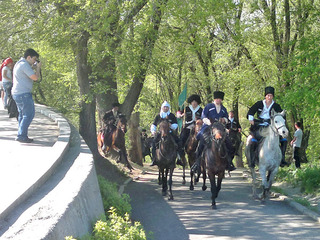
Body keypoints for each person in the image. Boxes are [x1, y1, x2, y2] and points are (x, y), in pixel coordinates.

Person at [193, 91, 236, 172]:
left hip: (219, 128)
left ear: (221, 100)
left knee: (229, 143)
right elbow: (204, 116)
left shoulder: (223, 109)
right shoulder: (209, 106)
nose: (218, 100)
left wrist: (224, 119)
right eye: (216, 99)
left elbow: (226, 118)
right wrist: (209, 122)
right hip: (208, 127)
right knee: (201, 141)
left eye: (219, 99)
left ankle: (229, 162)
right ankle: (197, 163)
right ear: (214, 99)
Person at [247, 86, 288, 167]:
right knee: (252, 141)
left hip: (272, 126)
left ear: (273, 96)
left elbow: (282, 116)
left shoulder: (276, 106)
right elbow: (250, 112)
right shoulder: (259, 104)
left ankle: (282, 159)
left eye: (271, 96)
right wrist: (251, 119)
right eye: (268, 95)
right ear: (265, 96)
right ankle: (252, 161)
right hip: (259, 125)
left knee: (284, 140)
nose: (269, 97)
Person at [12, 48, 41, 143]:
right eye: (34, 59)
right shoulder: (24, 65)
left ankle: (22, 134)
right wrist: (38, 68)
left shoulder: (19, 63)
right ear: (29, 57)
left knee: (22, 114)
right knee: (29, 114)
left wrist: (33, 66)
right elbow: (35, 78)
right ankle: (21, 135)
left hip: (17, 93)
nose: (34, 61)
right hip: (23, 94)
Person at [150, 101, 184, 166]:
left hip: (170, 133)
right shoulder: (158, 116)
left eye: (167, 107)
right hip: (160, 133)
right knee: (154, 143)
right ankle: (154, 159)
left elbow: (175, 125)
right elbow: (154, 124)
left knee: (178, 142)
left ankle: (178, 158)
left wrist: (171, 126)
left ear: (169, 108)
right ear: (162, 108)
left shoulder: (171, 116)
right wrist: (153, 131)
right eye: (164, 107)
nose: (165, 108)